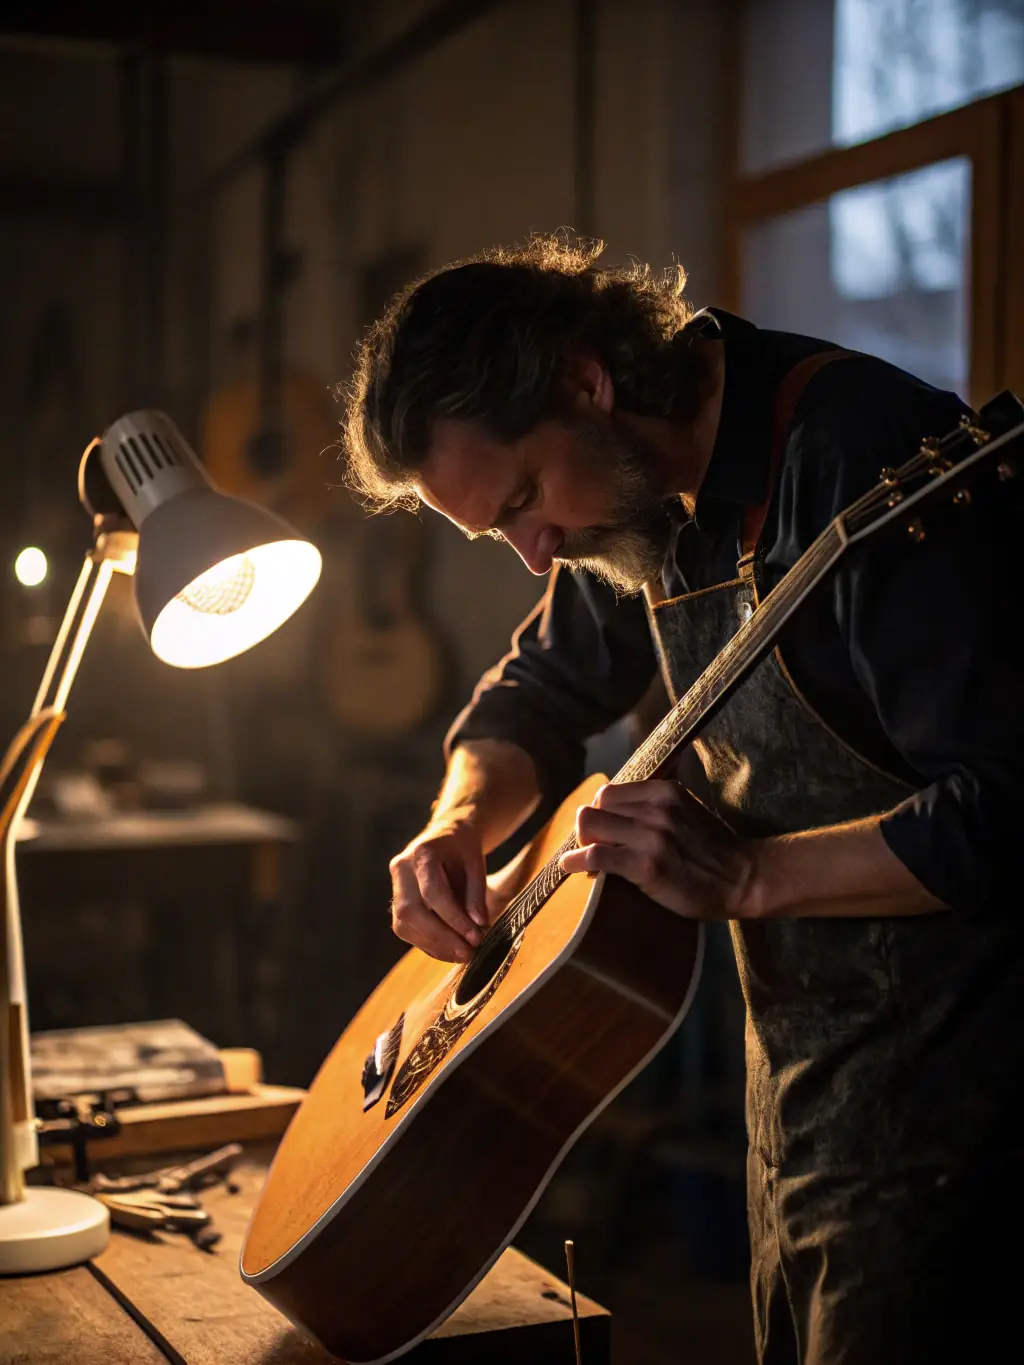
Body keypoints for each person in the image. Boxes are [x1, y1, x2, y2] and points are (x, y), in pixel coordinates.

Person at [341, 236, 1024, 1364]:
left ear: (586, 381)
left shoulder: (856, 453)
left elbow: (1007, 805)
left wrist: (752, 875)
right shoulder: (629, 501)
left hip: (967, 1107)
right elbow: (541, 690)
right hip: (799, 1084)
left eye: (521, 499)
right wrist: (455, 822)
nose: (535, 552)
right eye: (497, 532)